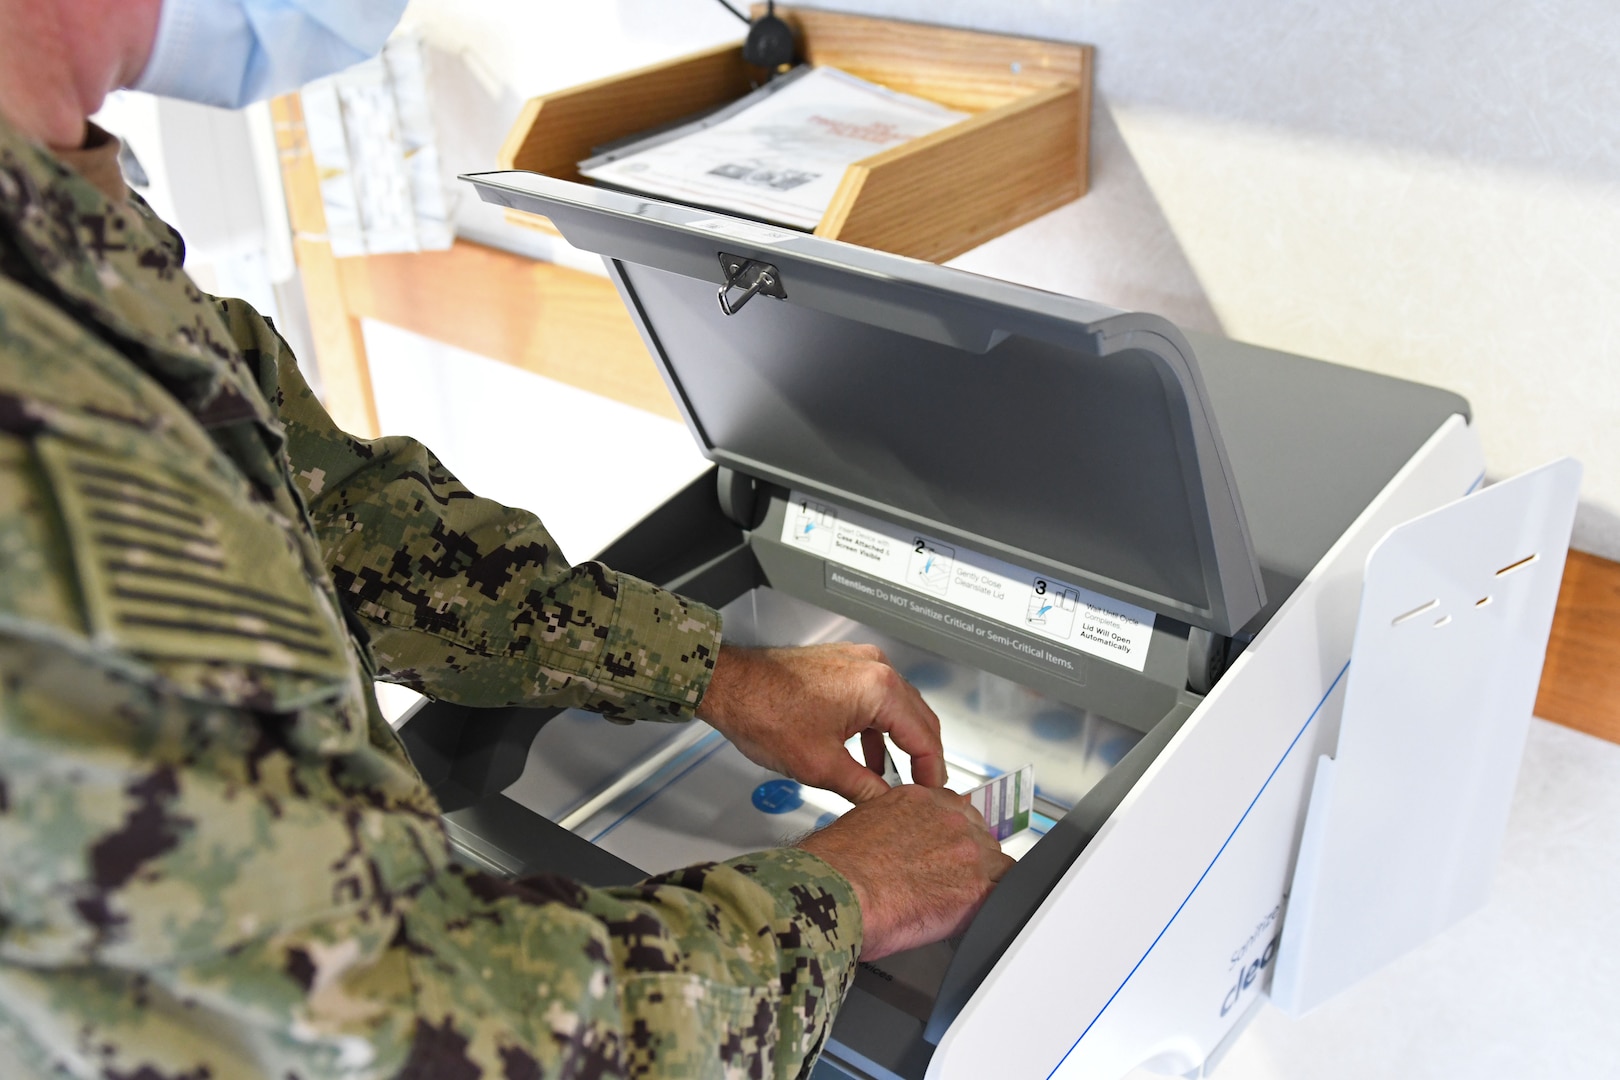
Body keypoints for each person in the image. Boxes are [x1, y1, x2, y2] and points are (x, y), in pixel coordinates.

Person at [0, 1, 1013, 1077]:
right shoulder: (41, 423)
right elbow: (397, 1036)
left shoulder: (65, 222)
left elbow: (346, 523)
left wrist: (715, 673)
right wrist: (843, 896)